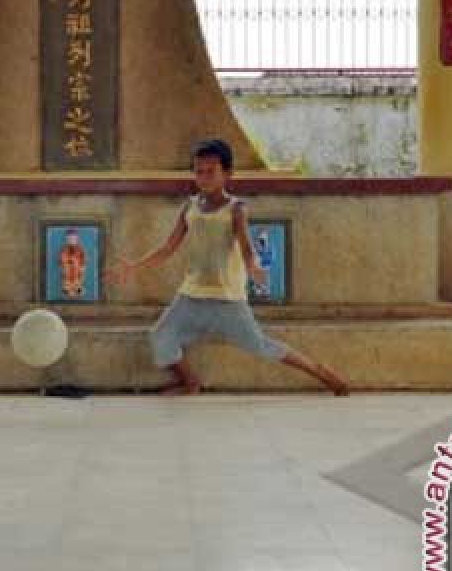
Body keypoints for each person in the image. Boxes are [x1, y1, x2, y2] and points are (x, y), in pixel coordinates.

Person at [107, 138, 350, 397]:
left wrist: (253, 267)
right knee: (160, 338)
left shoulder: (236, 209)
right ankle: (191, 383)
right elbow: (168, 247)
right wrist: (134, 267)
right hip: (191, 296)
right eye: (198, 172)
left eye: (211, 172)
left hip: (228, 299)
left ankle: (320, 372)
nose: (203, 178)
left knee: (260, 345)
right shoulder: (190, 207)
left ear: (228, 173)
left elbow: (246, 246)